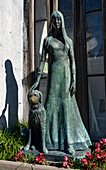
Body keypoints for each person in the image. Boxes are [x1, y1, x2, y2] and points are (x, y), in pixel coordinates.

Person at [30, 11, 91, 155]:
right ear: (52, 22)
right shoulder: (48, 40)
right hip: (53, 75)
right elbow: (42, 61)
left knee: (66, 106)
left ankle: (68, 142)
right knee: (50, 104)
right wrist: (37, 80)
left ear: (62, 22)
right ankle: (48, 141)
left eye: (59, 20)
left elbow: (73, 62)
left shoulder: (68, 41)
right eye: (55, 20)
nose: (57, 23)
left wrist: (74, 80)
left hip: (66, 76)